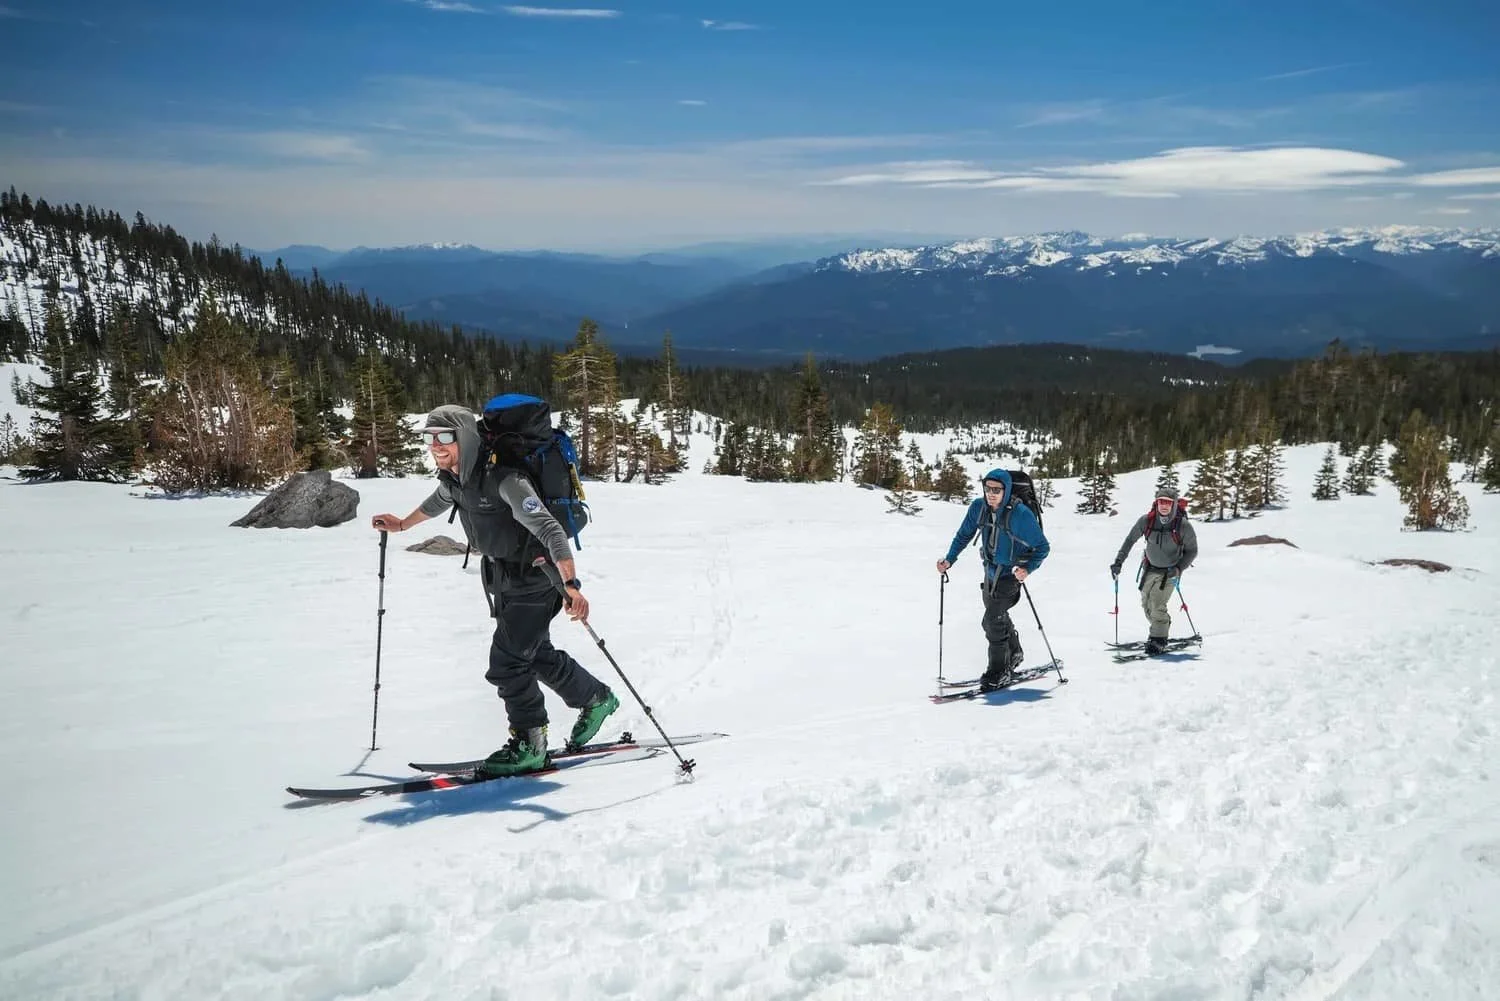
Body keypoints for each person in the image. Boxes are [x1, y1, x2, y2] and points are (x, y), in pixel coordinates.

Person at [370, 405, 619, 777]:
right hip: (501, 577)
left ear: (465, 437)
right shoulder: (456, 478)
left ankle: (530, 744)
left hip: (536, 578)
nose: (435, 445)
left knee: (507, 664)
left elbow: (550, 530)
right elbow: (438, 502)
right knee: (534, 654)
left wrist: (570, 584)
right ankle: (596, 699)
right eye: (429, 437)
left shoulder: (504, 478)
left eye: (445, 437)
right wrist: (403, 524)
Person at [936, 469, 1051, 691]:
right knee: (997, 615)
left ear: (1006, 490)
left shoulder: (1020, 515)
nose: (991, 493)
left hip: (1009, 575)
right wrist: (949, 559)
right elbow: (963, 535)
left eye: (996, 489)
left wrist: (1027, 568)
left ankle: (998, 671)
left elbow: (1043, 547)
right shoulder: (979, 508)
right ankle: (1015, 652)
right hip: (989, 572)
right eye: (988, 488)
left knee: (991, 621)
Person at [1110, 489, 1199, 655]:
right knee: (1147, 604)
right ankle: (1161, 625)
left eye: (1168, 502)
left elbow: (1192, 551)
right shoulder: (1147, 521)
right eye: (1161, 501)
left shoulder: (1183, 526)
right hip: (1149, 568)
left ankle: (1158, 640)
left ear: (1173, 504)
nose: (1164, 505)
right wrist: (1118, 562)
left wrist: (1179, 568)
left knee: (1157, 604)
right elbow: (1130, 540)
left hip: (1170, 572)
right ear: (1156, 502)